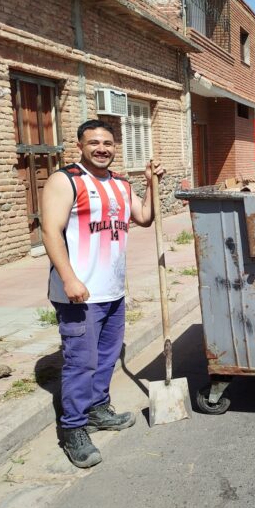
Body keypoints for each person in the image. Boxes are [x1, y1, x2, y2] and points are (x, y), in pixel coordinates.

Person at [41, 119, 165, 468]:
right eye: (94, 142)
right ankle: (74, 428)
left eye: (108, 143)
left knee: (107, 356)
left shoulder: (121, 184)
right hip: (78, 292)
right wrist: (69, 279)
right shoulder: (66, 180)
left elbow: (145, 217)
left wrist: (151, 183)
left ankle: (97, 409)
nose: (101, 148)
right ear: (80, 146)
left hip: (112, 290)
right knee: (81, 362)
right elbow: (50, 231)